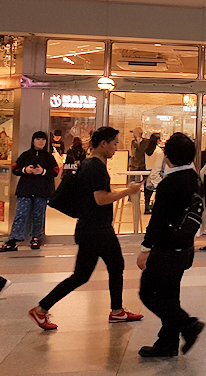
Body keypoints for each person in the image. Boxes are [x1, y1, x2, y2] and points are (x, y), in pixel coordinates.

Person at [29, 126, 144, 330]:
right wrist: (129, 190)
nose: (116, 148)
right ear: (104, 144)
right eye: (115, 143)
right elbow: (100, 199)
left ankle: (42, 309)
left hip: (90, 227)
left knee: (94, 271)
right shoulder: (96, 167)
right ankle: (42, 309)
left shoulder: (88, 165)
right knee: (108, 267)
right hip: (96, 229)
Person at [136, 132, 205, 357]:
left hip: (166, 249)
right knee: (169, 295)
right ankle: (167, 343)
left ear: (167, 156)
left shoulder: (170, 183)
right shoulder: (194, 178)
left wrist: (146, 248)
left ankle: (188, 325)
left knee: (149, 292)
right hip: (185, 247)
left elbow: (157, 220)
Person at [2, 131, 58, 251]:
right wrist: (25, 170)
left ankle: (36, 237)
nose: (41, 141)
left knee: (38, 215)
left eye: (43, 139)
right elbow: (15, 168)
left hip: (42, 191)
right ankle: (13, 240)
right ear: (33, 141)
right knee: (21, 214)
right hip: (25, 190)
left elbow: (55, 171)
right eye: (38, 139)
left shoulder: (48, 157)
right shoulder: (26, 155)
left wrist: (43, 172)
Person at [143, 132, 164, 215]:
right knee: (155, 190)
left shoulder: (147, 150)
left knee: (147, 191)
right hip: (155, 172)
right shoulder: (159, 151)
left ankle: (146, 206)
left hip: (147, 170)